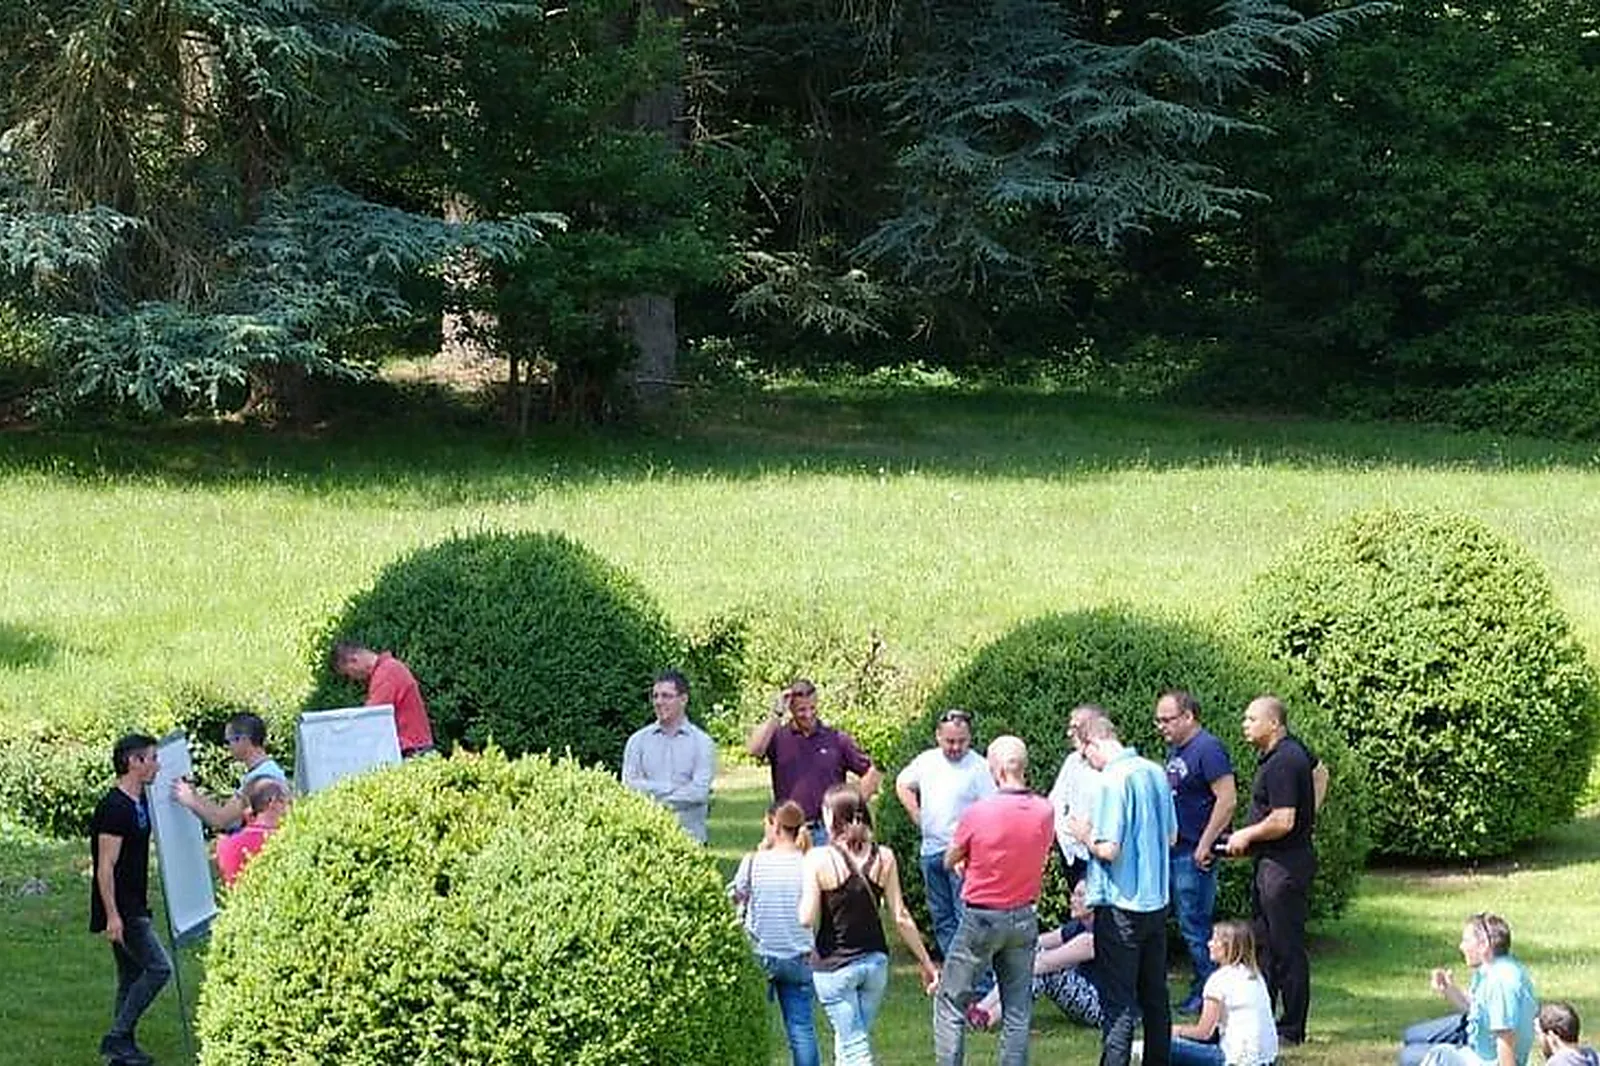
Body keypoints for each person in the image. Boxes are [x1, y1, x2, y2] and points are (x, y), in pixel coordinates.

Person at [932, 735, 1056, 1066]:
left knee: (951, 1001)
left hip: (982, 917)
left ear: (996, 769)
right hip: (1023, 915)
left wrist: (965, 862)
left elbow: (949, 859)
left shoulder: (979, 812)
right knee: (1017, 1008)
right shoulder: (1045, 811)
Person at [799, 784, 939, 1066]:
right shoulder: (884, 856)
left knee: (855, 1046)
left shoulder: (818, 858)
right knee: (848, 1039)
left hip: (834, 966)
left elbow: (806, 917)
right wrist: (926, 962)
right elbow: (900, 915)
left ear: (831, 816)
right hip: (875, 964)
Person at [1068, 716, 1178, 1066]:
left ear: (1093, 743)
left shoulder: (1112, 780)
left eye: (1086, 756)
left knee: (1118, 1001)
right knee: (1155, 997)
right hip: (1156, 901)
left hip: (1120, 904)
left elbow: (1108, 849)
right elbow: (1172, 836)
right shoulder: (1155, 771)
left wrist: (1082, 833)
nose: (1089, 764)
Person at [1224, 695, 1329, 1046]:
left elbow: (1283, 820)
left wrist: (1246, 834)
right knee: (1264, 944)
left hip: (1283, 867)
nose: (1245, 724)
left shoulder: (1284, 760)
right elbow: (1320, 771)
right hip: (1276, 861)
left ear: (1274, 724)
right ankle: (1266, 1019)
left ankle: (1292, 1028)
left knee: (1286, 947)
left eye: (1252, 719)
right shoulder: (1292, 752)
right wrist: (1310, 815)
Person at [89, 734, 172, 1066]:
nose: (157, 764)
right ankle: (118, 1036)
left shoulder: (141, 802)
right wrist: (113, 916)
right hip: (123, 908)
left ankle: (121, 1055)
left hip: (136, 902)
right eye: (152, 757)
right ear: (133, 762)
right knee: (158, 968)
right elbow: (104, 867)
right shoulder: (114, 807)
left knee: (130, 976)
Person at [1155, 691, 1237, 1014]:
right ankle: (1202, 987)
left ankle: (1209, 993)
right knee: (1187, 922)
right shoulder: (1178, 750)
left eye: (1167, 719)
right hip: (1176, 850)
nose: (1161, 726)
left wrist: (1205, 843)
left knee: (1195, 924)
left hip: (1193, 852)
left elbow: (1227, 799)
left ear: (1188, 716)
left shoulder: (1208, 749)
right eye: (1158, 720)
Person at [894, 707, 995, 958]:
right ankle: (954, 974)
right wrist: (917, 815)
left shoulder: (980, 768)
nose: (955, 747)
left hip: (963, 856)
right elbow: (902, 783)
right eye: (950, 741)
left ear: (970, 739)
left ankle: (977, 983)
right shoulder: (926, 761)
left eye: (962, 741)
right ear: (938, 736)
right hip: (931, 851)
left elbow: (990, 811)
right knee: (942, 918)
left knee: (966, 919)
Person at [730, 801, 819, 1066]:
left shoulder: (754, 862)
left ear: (775, 826)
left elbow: (735, 896)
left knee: (751, 1027)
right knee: (801, 1029)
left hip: (761, 953)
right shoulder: (809, 864)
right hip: (800, 955)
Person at [966, 872, 1104, 1032]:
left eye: (1080, 896)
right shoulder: (1078, 926)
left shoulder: (1093, 937)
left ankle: (986, 1016)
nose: (1072, 900)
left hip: (1100, 1009)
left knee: (1045, 972)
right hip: (1081, 1000)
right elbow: (1037, 942)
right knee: (1028, 955)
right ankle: (982, 1012)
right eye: (1073, 894)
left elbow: (1045, 963)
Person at [748, 679, 881, 845]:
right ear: (790, 709)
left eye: (812, 708)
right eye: (801, 710)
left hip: (828, 830)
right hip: (790, 831)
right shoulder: (778, 738)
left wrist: (853, 806)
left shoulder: (836, 739)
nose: (808, 714)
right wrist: (776, 713)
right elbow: (754, 750)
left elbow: (871, 772)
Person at [1395, 913, 1537, 1066]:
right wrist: (1448, 990)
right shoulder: (1497, 967)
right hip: (1479, 1045)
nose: (1461, 947)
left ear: (1484, 945)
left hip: (1487, 1061)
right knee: (1411, 1036)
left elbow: (1506, 1040)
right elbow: (1476, 1008)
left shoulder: (1500, 983)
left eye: (1466, 941)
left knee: (1409, 1057)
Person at [621, 669, 717, 842]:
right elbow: (629, 787)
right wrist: (673, 788)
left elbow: (699, 793)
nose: (658, 701)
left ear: (683, 699)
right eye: (655, 696)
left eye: (666, 696)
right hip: (646, 839)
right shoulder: (637, 741)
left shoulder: (702, 743)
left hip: (690, 840)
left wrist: (651, 797)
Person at [1169, 920, 1278, 1066]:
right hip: (1267, 1059)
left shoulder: (1219, 980)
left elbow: (1203, 1032)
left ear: (1229, 947)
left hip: (1237, 1060)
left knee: (1163, 1045)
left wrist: (1176, 1030)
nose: (1209, 944)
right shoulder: (1256, 976)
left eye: (1215, 940)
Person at [172, 711, 288, 832]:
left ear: (244, 740)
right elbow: (222, 812)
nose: (227, 747)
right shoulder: (266, 769)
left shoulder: (260, 778)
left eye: (229, 741)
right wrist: (194, 796)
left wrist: (189, 800)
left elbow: (221, 820)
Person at [332, 640, 435, 758]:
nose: (352, 679)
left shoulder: (386, 673)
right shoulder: (388, 668)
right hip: (415, 748)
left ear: (354, 660)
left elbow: (370, 719)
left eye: (348, 674)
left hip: (412, 751)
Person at [1049, 704, 1107, 891]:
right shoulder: (1072, 761)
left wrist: (1086, 833)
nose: (1069, 733)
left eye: (1074, 727)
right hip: (1072, 854)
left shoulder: (1109, 765)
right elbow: (1056, 800)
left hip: (1099, 853)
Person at [216, 778, 291, 886]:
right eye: (287, 802)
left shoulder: (224, 844)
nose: (290, 809)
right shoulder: (280, 840)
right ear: (273, 802)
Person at [1535, 1002, 1599, 1066]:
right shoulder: (1593, 1057)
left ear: (1551, 1036)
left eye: (1539, 1034)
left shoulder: (1558, 1063)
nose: (1538, 1040)